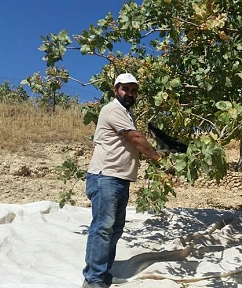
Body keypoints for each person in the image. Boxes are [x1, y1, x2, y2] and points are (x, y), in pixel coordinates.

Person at [82, 73, 163, 288]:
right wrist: (159, 160)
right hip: (106, 177)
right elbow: (135, 138)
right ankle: (93, 279)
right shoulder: (114, 110)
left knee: (114, 229)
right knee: (103, 228)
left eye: (134, 90)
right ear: (115, 89)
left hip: (119, 178)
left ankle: (103, 273)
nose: (130, 94)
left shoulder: (127, 113)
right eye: (125, 89)